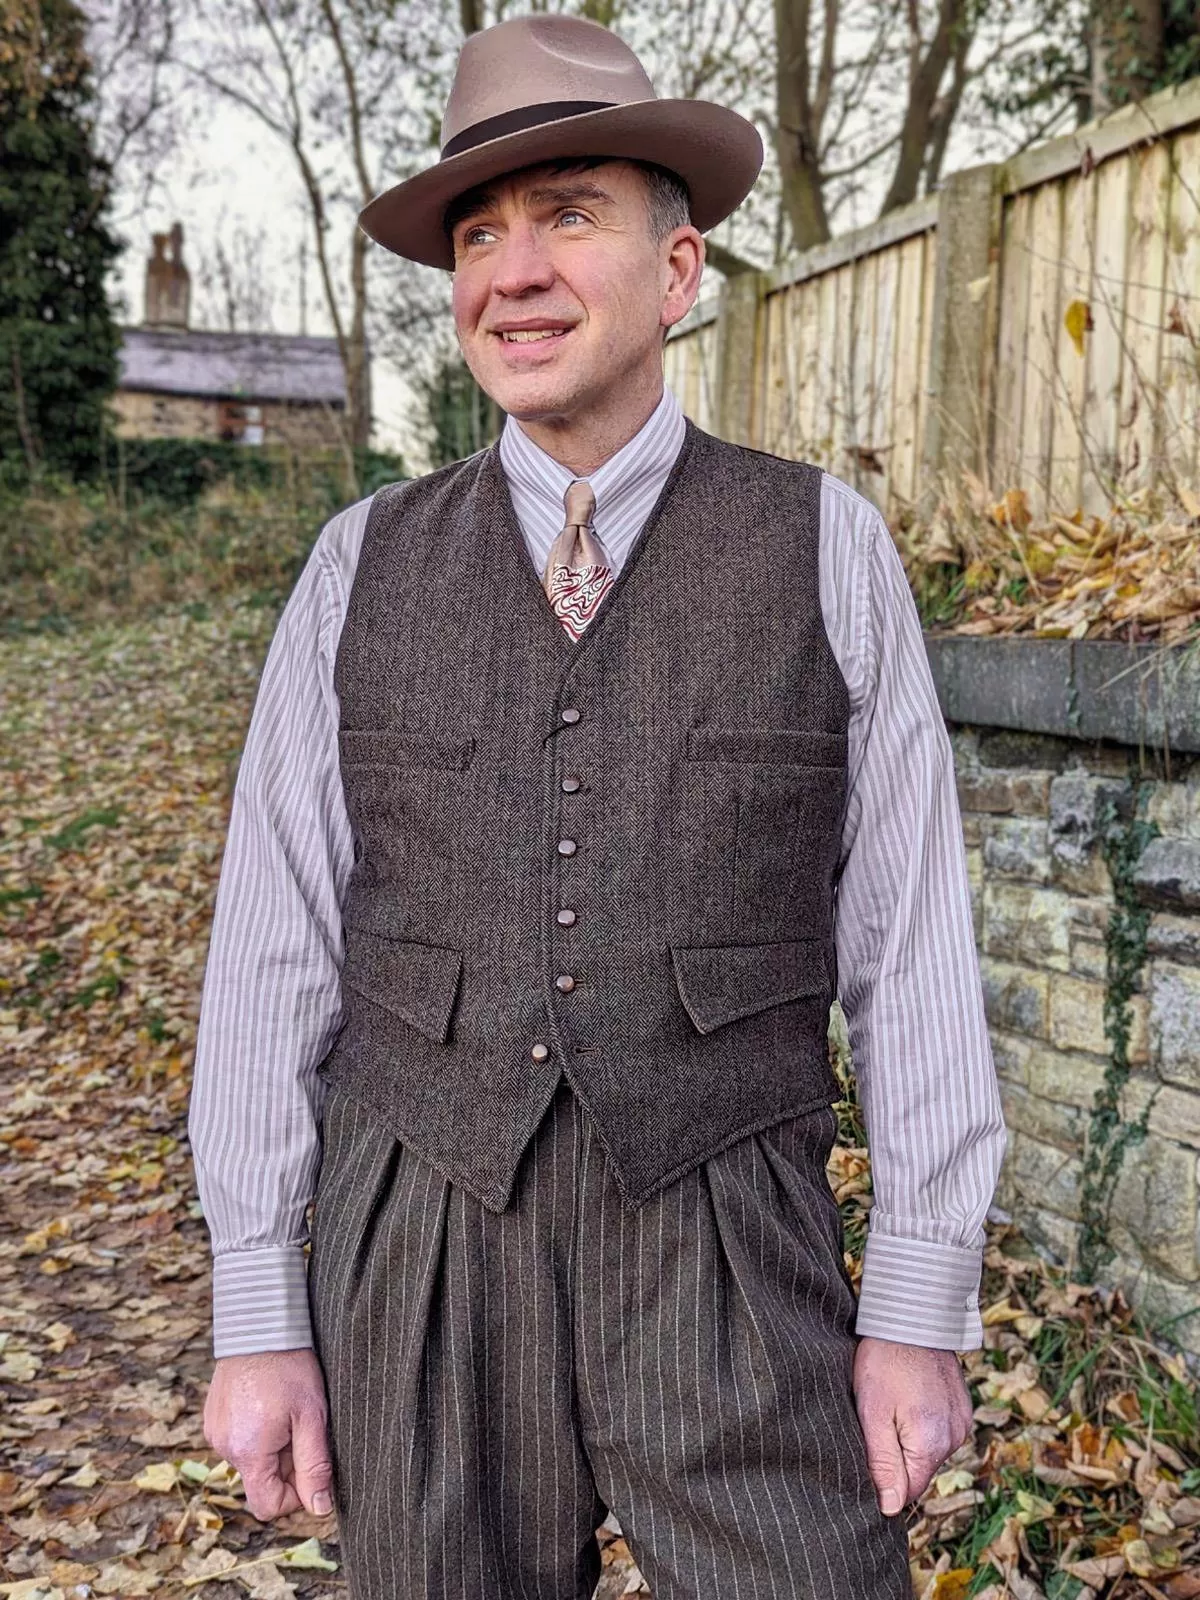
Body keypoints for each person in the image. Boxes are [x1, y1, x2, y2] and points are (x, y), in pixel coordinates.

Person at [188, 12, 1006, 1598]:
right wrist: (257, 1314)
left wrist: (917, 1303)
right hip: (423, 1221)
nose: (514, 271)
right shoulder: (359, 567)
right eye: (478, 235)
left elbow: (911, 948)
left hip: (728, 1229)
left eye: (568, 214)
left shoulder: (825, 547)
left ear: (679, 269)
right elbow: (272, 946)